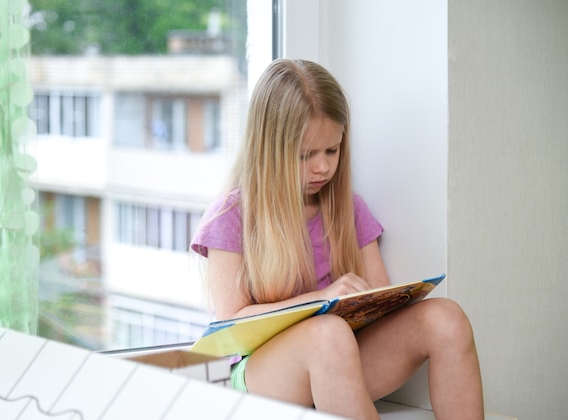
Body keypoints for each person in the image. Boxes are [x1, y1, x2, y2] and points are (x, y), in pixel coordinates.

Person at [191, 58, 483, 420]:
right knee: (327, 335)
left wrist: (377, 301)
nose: (323, 167)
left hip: (341, 361)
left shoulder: (348, 208)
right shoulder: (231, 215)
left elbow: (380, 298)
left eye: (332, 150)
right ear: (269, 150)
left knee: (446, 318)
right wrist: (322, 299)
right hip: (264, 375)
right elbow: (232, 322)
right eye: (305, 155)